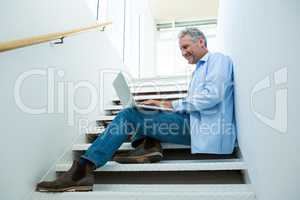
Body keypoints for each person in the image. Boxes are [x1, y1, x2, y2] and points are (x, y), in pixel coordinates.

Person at [36, 28, 236, 192]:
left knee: (130, 114)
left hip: (205, 131)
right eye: (180, 49)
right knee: (143, 111)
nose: (183, 53)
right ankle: (147, 144)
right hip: (195, 126)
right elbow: (195, 102)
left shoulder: (217, 60)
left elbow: (212, 96)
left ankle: (83, 169)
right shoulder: (200, 70)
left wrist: (169, 105)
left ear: (201, 41)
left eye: (185, 47)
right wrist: (159, 105)